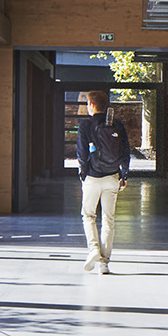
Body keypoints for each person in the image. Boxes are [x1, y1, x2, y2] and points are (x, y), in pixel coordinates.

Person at [75, 88, 130, 273]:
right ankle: (104, 263)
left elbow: (81, 153)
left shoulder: (85, 125)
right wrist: (124, 174)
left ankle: (93, 250)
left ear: (92, 105)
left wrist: (83, 174)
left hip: (92, 177)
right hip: (112, 177)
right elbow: (125, 151)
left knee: (88, 215)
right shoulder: (117, 125)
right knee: (108, 219)